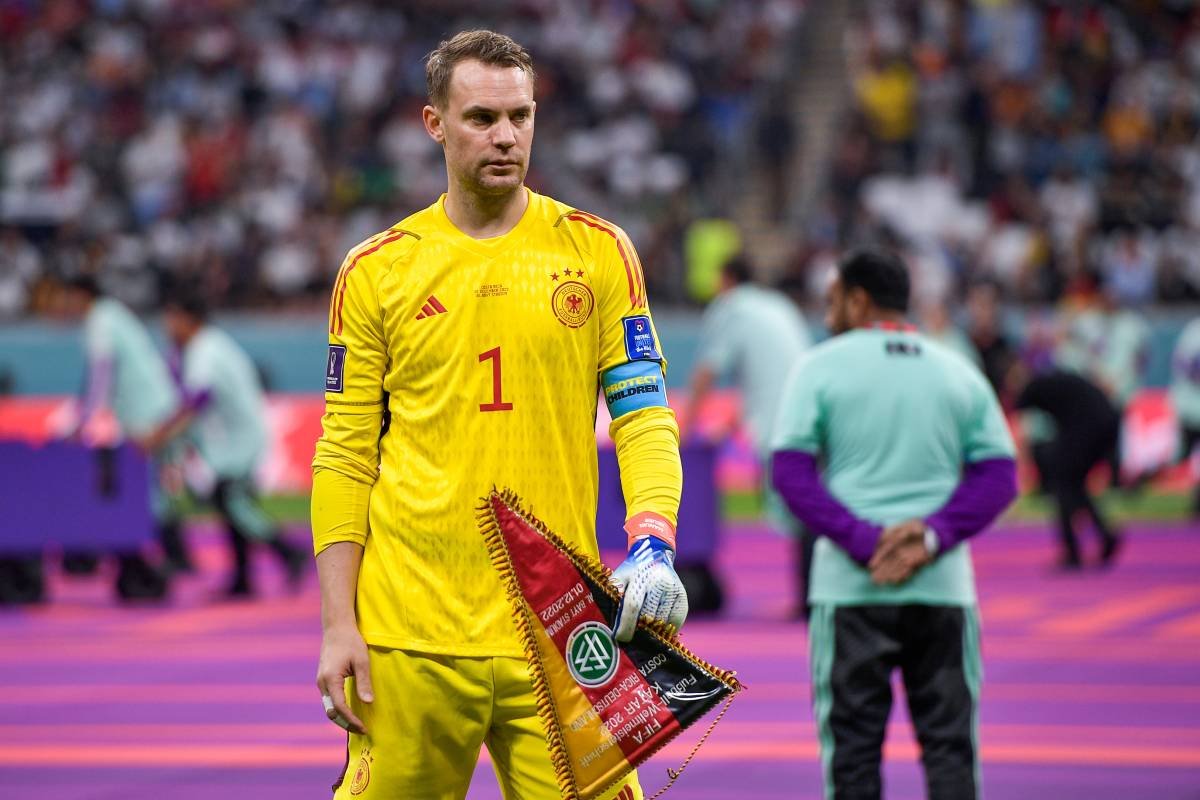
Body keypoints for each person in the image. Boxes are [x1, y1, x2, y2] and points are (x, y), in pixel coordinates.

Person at [310, 30, 686, 800]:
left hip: (564, 627)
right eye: (482, 117)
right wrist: (337, 625)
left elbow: (645, 417)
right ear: (434, 124)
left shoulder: (599, 253)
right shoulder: (377, 270)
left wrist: (654, 539)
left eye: (520, 115)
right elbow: (345, 457)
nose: (506, 136)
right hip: (410, 631)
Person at [770, 248, 1017, 800]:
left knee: (853, 755)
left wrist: (865, 540)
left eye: (833, 299)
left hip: (851, 589)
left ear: (857, 300)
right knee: (951, 749)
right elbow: (1000, 475)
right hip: (943, 588)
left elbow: (790, 473)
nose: (827, 311)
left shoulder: (819, 366)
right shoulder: (955, 367)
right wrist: (931, 536)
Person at [141, 288, 306, 597]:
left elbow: (198, 397)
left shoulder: (204, 348)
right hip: (235, 438)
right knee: (227, 501)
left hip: (239, 441)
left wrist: (163, 433)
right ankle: (245, 577)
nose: (167, 326)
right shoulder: (208, 345)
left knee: (231, 502)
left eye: (172, 317)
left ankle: (286, 551)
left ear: (188, 319)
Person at [684, 256, 811, 612]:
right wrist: (729, 426)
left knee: (799, 515)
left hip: (778, 429)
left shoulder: (731, 309)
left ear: (726, 280)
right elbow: (768, 378)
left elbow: (706, 371)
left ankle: (810, 599)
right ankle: (810, 597)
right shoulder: (777, 306)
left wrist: (684, 430)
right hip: (806, 417)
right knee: (807, 507)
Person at [57, 275, 187, 591]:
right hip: (155, 406)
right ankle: (177, 554)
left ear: (81, 294)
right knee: (157, 485)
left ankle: (168, 557)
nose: (63, 306)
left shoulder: (100, 319)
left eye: (67, 297)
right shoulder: (114, 314)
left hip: (147, 414)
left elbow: (101, 370)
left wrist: (84, 419)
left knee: (148, 487)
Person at [1012, 367, 1123, 568]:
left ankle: (1072, 552)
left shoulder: (1030, 389)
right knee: (1072, 485)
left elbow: (1023, 434)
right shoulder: (1050, 380)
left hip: (1089, 425)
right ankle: (1105, 536)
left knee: (1062, 484)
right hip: (1108, 422)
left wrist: (1022, 471)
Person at [1171, 317, 1200, 518]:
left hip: (1191, 405)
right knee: (1183, 456)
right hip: (1191, 407)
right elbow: (1184, 363)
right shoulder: (1194, 330)